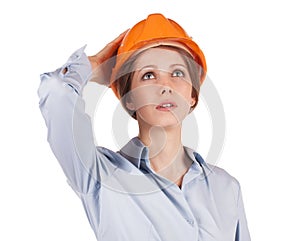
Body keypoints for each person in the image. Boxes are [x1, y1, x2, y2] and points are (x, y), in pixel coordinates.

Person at [38, 13, 251, 241]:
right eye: (148, 75)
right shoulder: (101, 177)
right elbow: (56, 90)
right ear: (129, 99)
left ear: (192, 95)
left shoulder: (227, 188)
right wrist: (95, 65)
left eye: (177, 73)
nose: (165, 86)